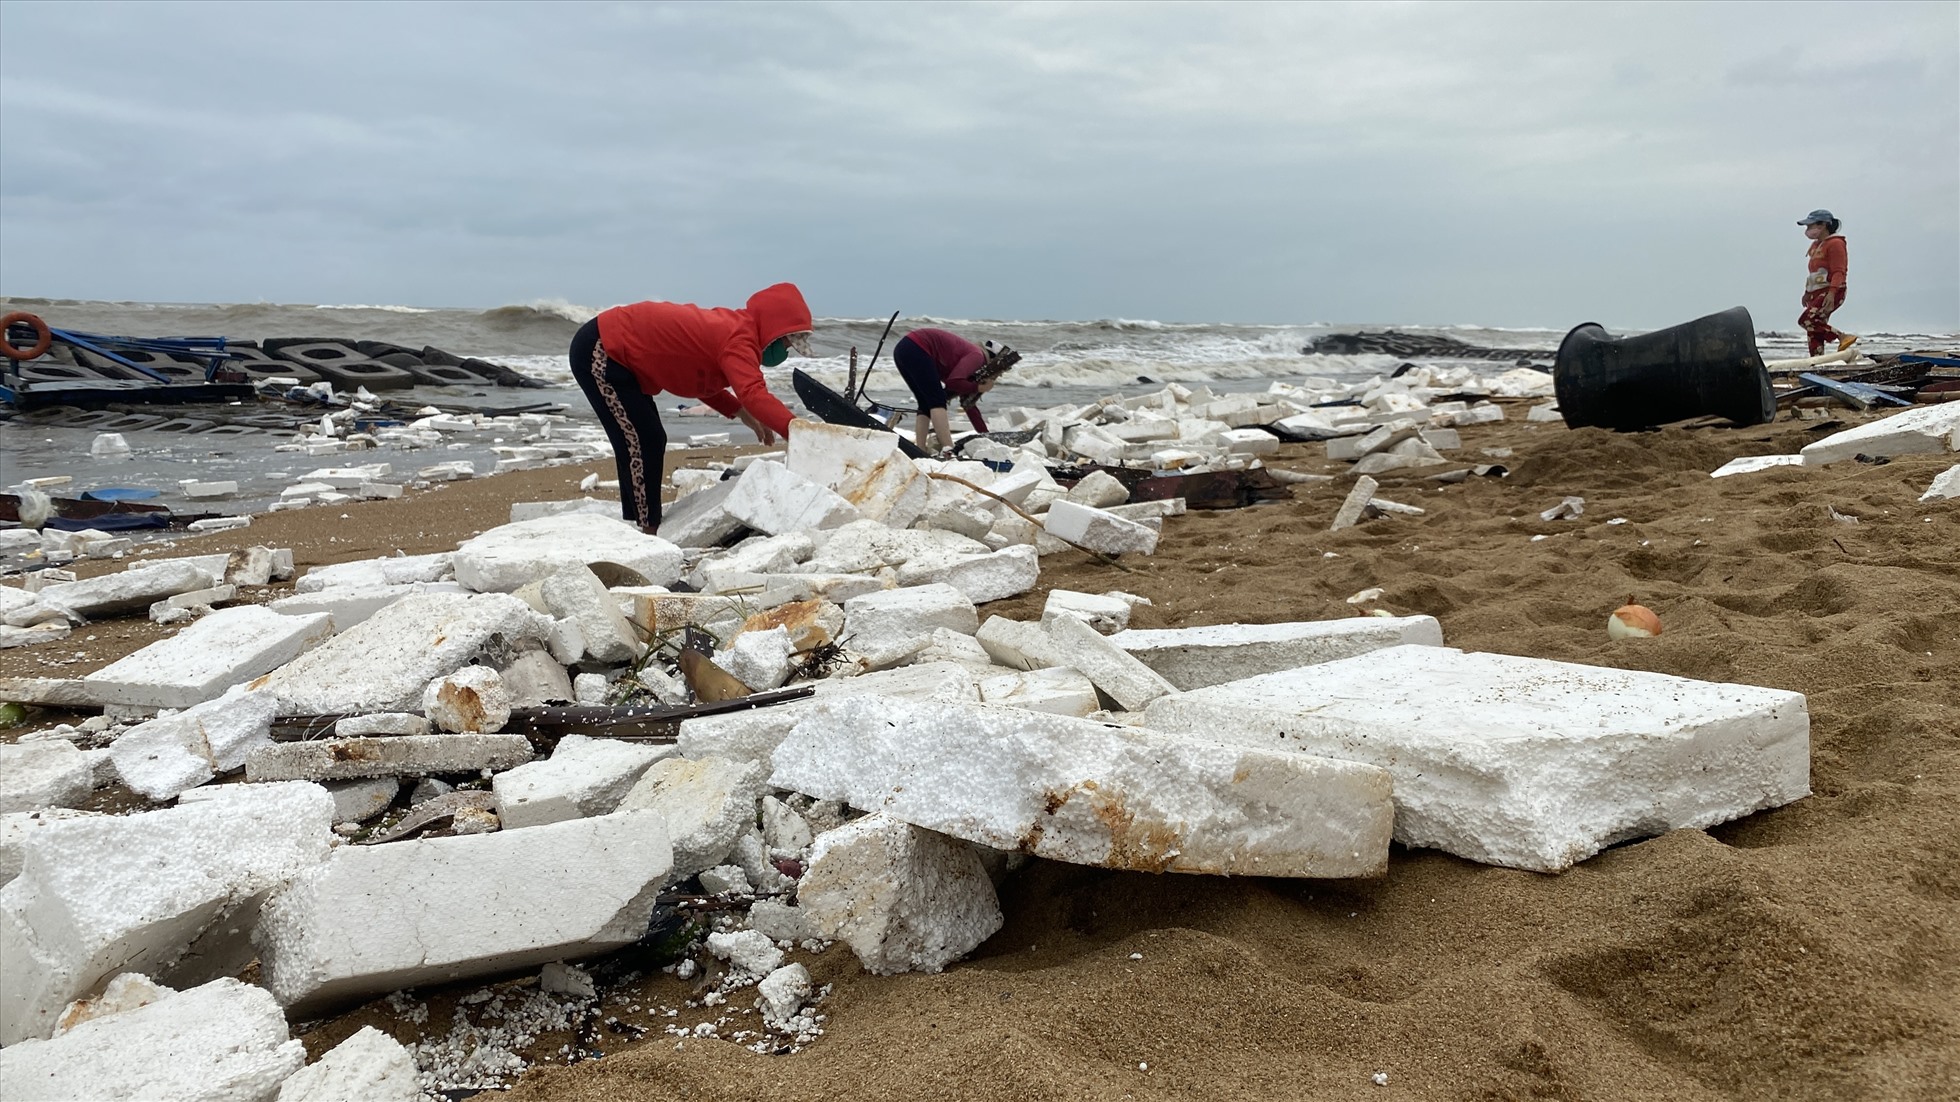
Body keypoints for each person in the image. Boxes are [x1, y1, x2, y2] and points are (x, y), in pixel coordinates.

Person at [569, 282, 810, 533]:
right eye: (787, 345)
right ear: (774, 331)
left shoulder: (736, 329)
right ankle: (648, 530)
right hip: (602, 349)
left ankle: (643, 524)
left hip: (613, 349)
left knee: (645, 437)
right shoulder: (740, 338)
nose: (786, 352)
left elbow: (700, 381)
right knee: (643, 438)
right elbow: (754, 393)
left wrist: (739, 412)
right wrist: (800, 434)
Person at [889, 327, 1020, 453]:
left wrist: (986, 438)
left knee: (925, 403)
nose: (998, 375)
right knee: (937, 401)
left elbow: (969, 405)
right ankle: (948, 448)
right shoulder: (977, 356)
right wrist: (979, 387)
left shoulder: (972, 362)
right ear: (992, 361)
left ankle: (920, 449)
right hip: (917, 346)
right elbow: (954, 382)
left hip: (904, 348)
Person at [1797, 209, 1856, 356]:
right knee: (1814, 331)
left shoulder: (1835, 243)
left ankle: (1841, 336)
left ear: (1823, 225)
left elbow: (1839, 271)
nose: (1808, 230)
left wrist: (1832, 293)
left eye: (1810, 226)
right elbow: (1814, 272)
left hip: (1831, 290)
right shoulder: (1816, 246)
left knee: (1807, 320)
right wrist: (1807, 293)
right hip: (1816, 292)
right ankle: (1817, 362)